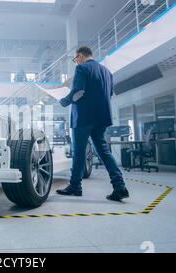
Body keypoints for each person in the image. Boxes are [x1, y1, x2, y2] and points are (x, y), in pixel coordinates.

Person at [57, 46, 129, 202]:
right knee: (103, 151)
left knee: (78, 152)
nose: (76, 62)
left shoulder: (82, 68)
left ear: (80, 56)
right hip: (101, 118)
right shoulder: (107, 72)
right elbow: (109, 94)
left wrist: (64, 101)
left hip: (83, 117)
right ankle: (119, 187)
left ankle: (75, 186)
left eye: (75, 59)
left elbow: (78, 92)